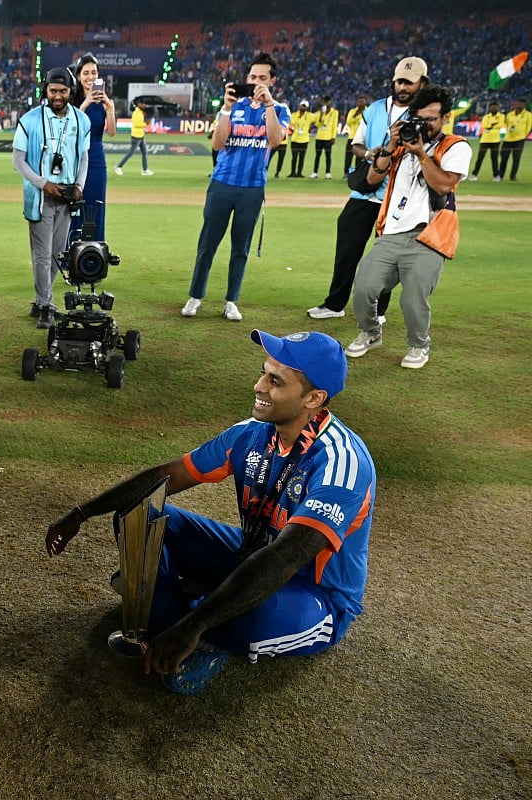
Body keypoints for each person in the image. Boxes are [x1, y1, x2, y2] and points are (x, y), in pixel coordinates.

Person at [46, 330, 374, 696]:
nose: (259, 386)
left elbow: (287, 556)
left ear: (314, 398)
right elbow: (165, 478)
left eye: (275, 381)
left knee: (251, 620)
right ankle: (187, 610)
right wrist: (82, 512)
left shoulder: (341, 462)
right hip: (250, 553)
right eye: (264, 372)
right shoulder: (250, 434)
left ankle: (178, 611)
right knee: (140, 514)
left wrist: (194, 625)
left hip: (316, 592)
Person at [347, 85, 469, 370]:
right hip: (391, 232)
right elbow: (373, 179)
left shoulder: (455, 146)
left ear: (445, 118)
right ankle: (371, 332)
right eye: (419, 118)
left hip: (428, 236)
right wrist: (390, 146)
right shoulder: (401, 145)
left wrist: (422, 155)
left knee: (414, 299)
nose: (424, 125)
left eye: (431, 119)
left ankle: (418, 344)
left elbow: (445, 184)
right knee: (364, 287)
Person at [306, 57, 427, 321]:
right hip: (365, 190)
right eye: (400, 81)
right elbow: (356, 145)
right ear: (393, 81)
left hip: (398, 195)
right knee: (347, 249)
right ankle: (335, 304)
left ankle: (378, 309)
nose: (403, 87)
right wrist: (370, 154)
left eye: (409, 82)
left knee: (387, 255)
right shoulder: (374, 109)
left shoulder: (424, 114)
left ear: (422, 84)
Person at [181, 53, 289, 322]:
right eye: (253, 77)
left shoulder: (280, 109)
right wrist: (227, 109)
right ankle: (195, 296)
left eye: (263, 78)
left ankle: (231, 301)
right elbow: (217, 145)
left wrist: (268, 106)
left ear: (272, 81)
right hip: (222, 184)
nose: (256, 82)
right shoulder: (233, 106)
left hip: (252, 188)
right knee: (207, 244)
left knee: (240, 248)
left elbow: (275, 141)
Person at [13, 67, 90, 329]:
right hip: (40, 197)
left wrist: (79, 186)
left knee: (57, 254)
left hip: (67, 197)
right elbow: (18, 161)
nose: (58, 96)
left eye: (63, 91)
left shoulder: (81, 121)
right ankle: (46, 305)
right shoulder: (30, 120)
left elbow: (84, 157)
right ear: (45, 90)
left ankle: (40, 301)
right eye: (53, 90)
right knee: (42, 255)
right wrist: (43, 184)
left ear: (72, 91)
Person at [68, 53, 115, 242]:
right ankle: (72, 255)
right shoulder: (72, 99)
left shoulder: (104, 102)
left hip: (96, 161)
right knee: (75, 206)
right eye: (86, 73)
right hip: (76, 160)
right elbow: (72, 127)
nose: (90, 77)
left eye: (94, 73)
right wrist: (86, 103)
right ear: (79, 76)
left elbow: (111, 132)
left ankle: (93, 256)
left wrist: (109, 109)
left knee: (96, 206)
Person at [113, 97, 151, 177]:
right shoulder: (136, 113)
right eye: (143, 103)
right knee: (131, 153)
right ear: (139, 104)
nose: (144, 105)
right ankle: (118, 167)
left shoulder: (140, 112)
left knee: (144, 153)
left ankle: (145, 170)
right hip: (136, 136)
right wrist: (145, 124)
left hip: (140, 135)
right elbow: (136, 124)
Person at [470, 101, 504, 181]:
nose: (494, 108)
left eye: (495, 107)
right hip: (484, 140)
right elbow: (484, 125)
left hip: (495, 140)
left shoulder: (501, 116)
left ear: (498, 108)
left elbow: (500, 125)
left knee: (494, 159)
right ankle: (474, 174)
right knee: (480, 158)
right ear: (490, 108)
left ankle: (496, 176)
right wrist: (493, 125)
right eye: (492, 107)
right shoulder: (486, 117)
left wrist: (490, 126)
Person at [497, 98, 529, 182]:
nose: (519, 105)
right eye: (518, 103)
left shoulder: (528, 115)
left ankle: (513, 176)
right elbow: (507, 125)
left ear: (524, 105)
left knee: (516, 158)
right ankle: (500, 176)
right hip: (508, 139)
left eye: (521, 104)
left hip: (519, 140)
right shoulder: (509, 114)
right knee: (504, 158)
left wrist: (523, 136)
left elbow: (529, 127)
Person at [311, 96, 338, 179]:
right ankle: (315, 172)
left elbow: (334, 125)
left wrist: (333, 137)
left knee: (328, 156)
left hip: (328, 138)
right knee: (317, 156)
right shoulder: (320, 112)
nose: (326, 103)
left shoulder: (335, 112)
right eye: (325, 102)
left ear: (330, 102)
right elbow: (317, 124)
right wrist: (321, 115)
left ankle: (328, 173)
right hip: (319, 137)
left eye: (328, 101)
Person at [287, 99, 313, 177]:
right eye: (302, 106)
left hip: (304, 140)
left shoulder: (309, 116)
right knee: (294, 157)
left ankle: (299, 173)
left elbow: (317, 120)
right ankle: (292, 172)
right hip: (295, 139)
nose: (303, 107)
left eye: (304, 106)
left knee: (302, 158)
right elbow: (291, 123)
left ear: (307, 107)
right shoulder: (294, 115)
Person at [343, 95, 368, 176]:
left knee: (360, 157)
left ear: (365, 102)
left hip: (363, 138)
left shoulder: (369, 111)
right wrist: (355, 115)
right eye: (359, 102)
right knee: (348, 156)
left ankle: (357, 172)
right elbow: (348, 122)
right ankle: (347, 173)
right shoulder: (352, 111)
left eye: (362, 102)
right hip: (352, 137)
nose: (360, 104)